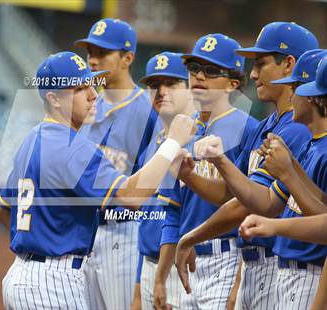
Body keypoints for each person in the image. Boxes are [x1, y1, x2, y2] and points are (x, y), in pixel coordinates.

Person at [0, 51, 196, 309]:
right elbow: (132, 196)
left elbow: (2, 210)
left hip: (23, 275)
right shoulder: (73, 145)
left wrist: (41, 235)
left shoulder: (32, 139)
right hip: (53, 282)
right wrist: (172, 142)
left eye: (91, 84)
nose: (92, 95)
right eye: (79, 88)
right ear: (54, 99)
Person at [173, 23, 319, 309]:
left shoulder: (296, 130)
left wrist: (190, 237)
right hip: (254, 264)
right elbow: (232, 193)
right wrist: (189, 176)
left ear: (289, 64)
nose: (253, 74)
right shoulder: (266, 126)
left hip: (281, 264)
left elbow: (250, 205)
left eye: (261, 63)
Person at [154, 34, 258, 310]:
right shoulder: (182, 130)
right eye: (194, 68)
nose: (199, 75)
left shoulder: (250, 128)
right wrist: (161, 277)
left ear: (233, 83)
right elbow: (174, 209)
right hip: (187, 259)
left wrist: (238, 277)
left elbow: (248, 203)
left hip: (228, 254)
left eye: (211, 71)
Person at [74, 18, 160, 310]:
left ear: (127, 58)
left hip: (123, 235)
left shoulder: (147, 111)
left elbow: (154, 187)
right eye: (90, 53)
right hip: (81, 235)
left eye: (102, 53)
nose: (93, 60)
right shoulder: (83, 106)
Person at [133, 51, 197, 310]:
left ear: (191, 87)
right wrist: (139, 285)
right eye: (153, 85)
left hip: (180, 269)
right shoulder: (156, 140)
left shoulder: (200, 140)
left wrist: (161, 278)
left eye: (171, 84)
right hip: (150, 267)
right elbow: (146, 219)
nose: (161, 92)